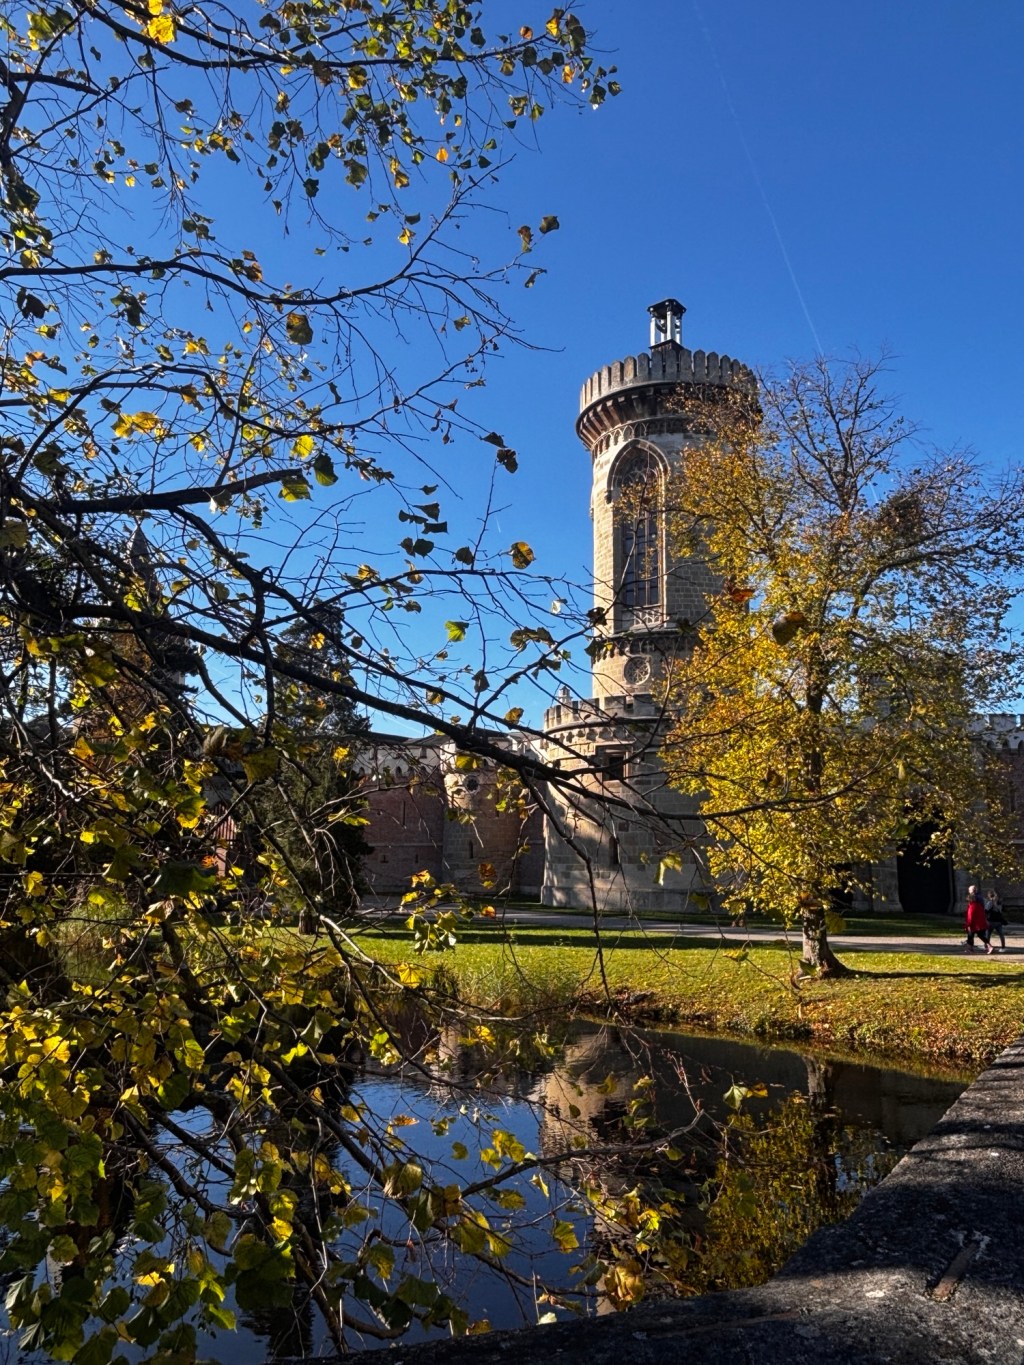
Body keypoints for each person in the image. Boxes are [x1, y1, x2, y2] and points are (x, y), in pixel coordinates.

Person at [965, 884, 993, 954]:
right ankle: (988, 946)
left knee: (970, 935)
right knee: (979, 935)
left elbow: (970, 916)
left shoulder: (972, 906)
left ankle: (970, 949)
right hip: (980, 922)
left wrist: (968, 924)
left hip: (974, 923)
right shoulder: (979, 903)